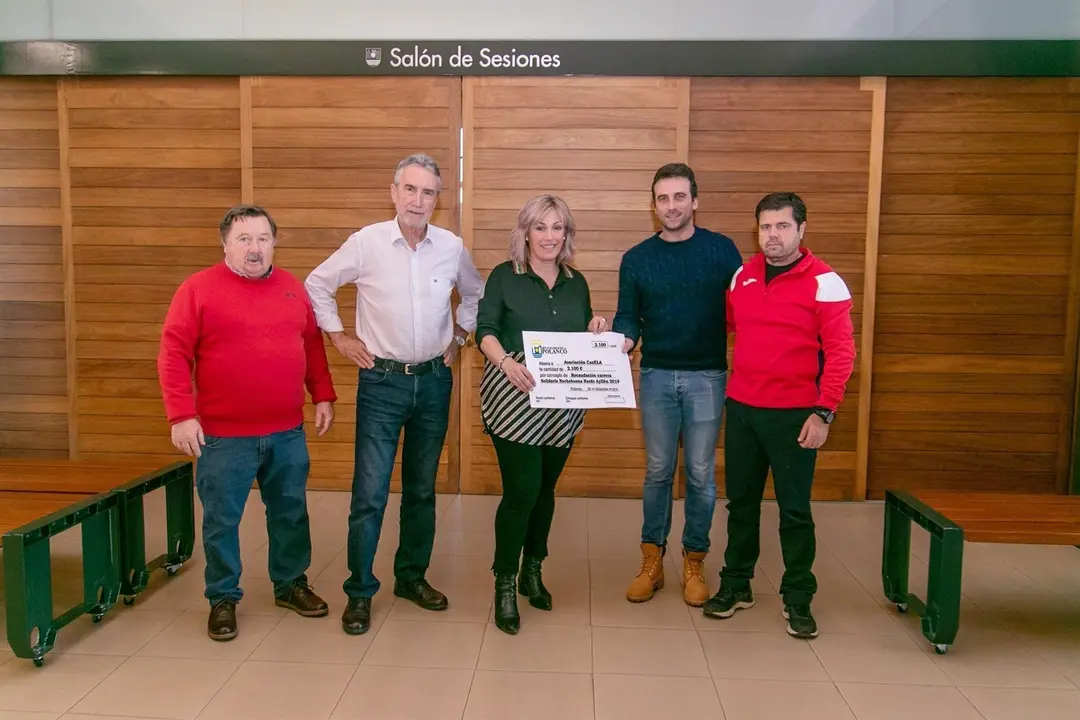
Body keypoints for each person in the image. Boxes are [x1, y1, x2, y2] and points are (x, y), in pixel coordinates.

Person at [304, 153, 484, 636]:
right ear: (394, 192)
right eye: (410, 189)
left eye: (428, 192)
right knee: (370, 493)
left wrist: (461, 334)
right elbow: (317, 284)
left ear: (437, 199)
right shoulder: (366, 243)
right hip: (381, 383)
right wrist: (339, 337)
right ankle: (360, 591)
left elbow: (474, 293)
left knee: (422, 491)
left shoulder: (451, 247)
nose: (417, 200)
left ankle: (411, 578)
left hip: (435, 382)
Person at [157, 204, 337, 642]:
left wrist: (323, 394)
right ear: (225, 244)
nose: (254, 248)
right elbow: (173, 354)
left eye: (262, 239)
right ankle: (222, 598)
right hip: (223, 436)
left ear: (273, 243)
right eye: (244, 239)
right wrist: (181, 415)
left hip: (286, 432)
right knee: (222, 520)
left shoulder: (292, 288)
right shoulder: (197, 289)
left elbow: (312, 345)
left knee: (290, 513)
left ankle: (290, 584)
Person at [703, 191, 856, 639]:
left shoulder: (826, 281)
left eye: (782, 226)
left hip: (795, 417)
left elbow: (842, 352)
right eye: (766, 226)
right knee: (741, 506)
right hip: (743, 411)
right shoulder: (743, 276)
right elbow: (728, 326)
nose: (773, 235)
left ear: (801, 229)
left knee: (794, 511)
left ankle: (798, 598)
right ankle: (736, 585)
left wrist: (823, 412)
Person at [474, 194, 607, 635]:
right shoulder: (504, 276)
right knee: (521, 492)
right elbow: (485, 330)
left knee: (545, 490)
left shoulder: (576, 282)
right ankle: (504, 583)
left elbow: (581, 335)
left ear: (567, 234)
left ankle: (533, 570)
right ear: (526, 232)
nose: (550, 236)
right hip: (513, 395)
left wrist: (595, 328)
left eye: (558, 227)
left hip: (563, 401)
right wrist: (506, 363)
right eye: (541, 227)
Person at [613, 163, 743, 607]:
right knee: (658, 471)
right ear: (654, 205)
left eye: (679, 197)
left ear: (695, 201)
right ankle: (652, 561)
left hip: (708, 376)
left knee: (702, 473)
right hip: (656, 377)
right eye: (663, 198)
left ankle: (694, 561)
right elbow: (628, 317)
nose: (671, 206)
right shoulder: (636, 259)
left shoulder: (722, 251)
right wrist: (623, 340)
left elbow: (745, 310)